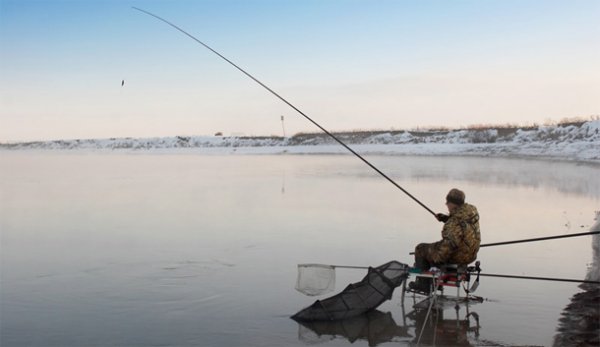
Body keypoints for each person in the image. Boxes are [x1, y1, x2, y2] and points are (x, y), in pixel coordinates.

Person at [409, 188, 481, 293]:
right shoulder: (471, 212)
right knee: (434, 249)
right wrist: (445, 218)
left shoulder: (453, 223)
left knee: (420, 249)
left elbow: (449, 246)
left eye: (447, 202)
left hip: (458, 256)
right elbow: (462, 225)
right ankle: (433, 283)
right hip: (470, 254)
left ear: (453, 204)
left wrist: (435, 259)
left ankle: (424, 284)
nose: (446, 204)